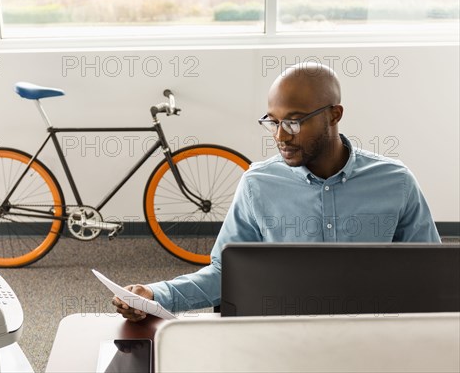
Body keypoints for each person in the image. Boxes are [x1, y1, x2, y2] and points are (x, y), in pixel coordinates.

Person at [113, 62, 441, 322]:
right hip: (285, 339)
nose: (281, 135)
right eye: (273, 122)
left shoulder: (395, 181)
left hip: (375, 338)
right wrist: (155, 296)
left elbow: (434, 276)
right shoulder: (258, 184)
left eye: (295, 122)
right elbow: (224, 274)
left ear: (334, 114)